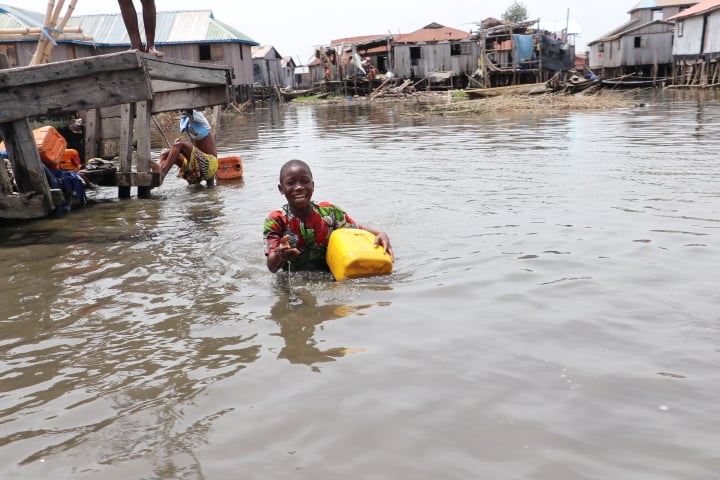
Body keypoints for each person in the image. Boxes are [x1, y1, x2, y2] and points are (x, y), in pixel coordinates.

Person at [264, 159, 393, 273]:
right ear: (281, 189)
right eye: (291, 183)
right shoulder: (276, 220)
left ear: (313, 185)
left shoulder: (329, 212)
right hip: (292, 278)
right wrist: (280, 255)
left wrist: (379, 233)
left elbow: (356, 230)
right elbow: (272, 267)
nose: (299, 187)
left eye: (305, 181)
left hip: (327, 275)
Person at [157, 109, 218, 186]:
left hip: (209, 163)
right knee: (165, 153)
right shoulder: (186, 121)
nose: (182, 111)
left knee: (179, 144)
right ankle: (157, 172)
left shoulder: (198, 116)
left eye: (183, 109)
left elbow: (189, 108)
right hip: (197, 165)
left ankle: (162, 173)